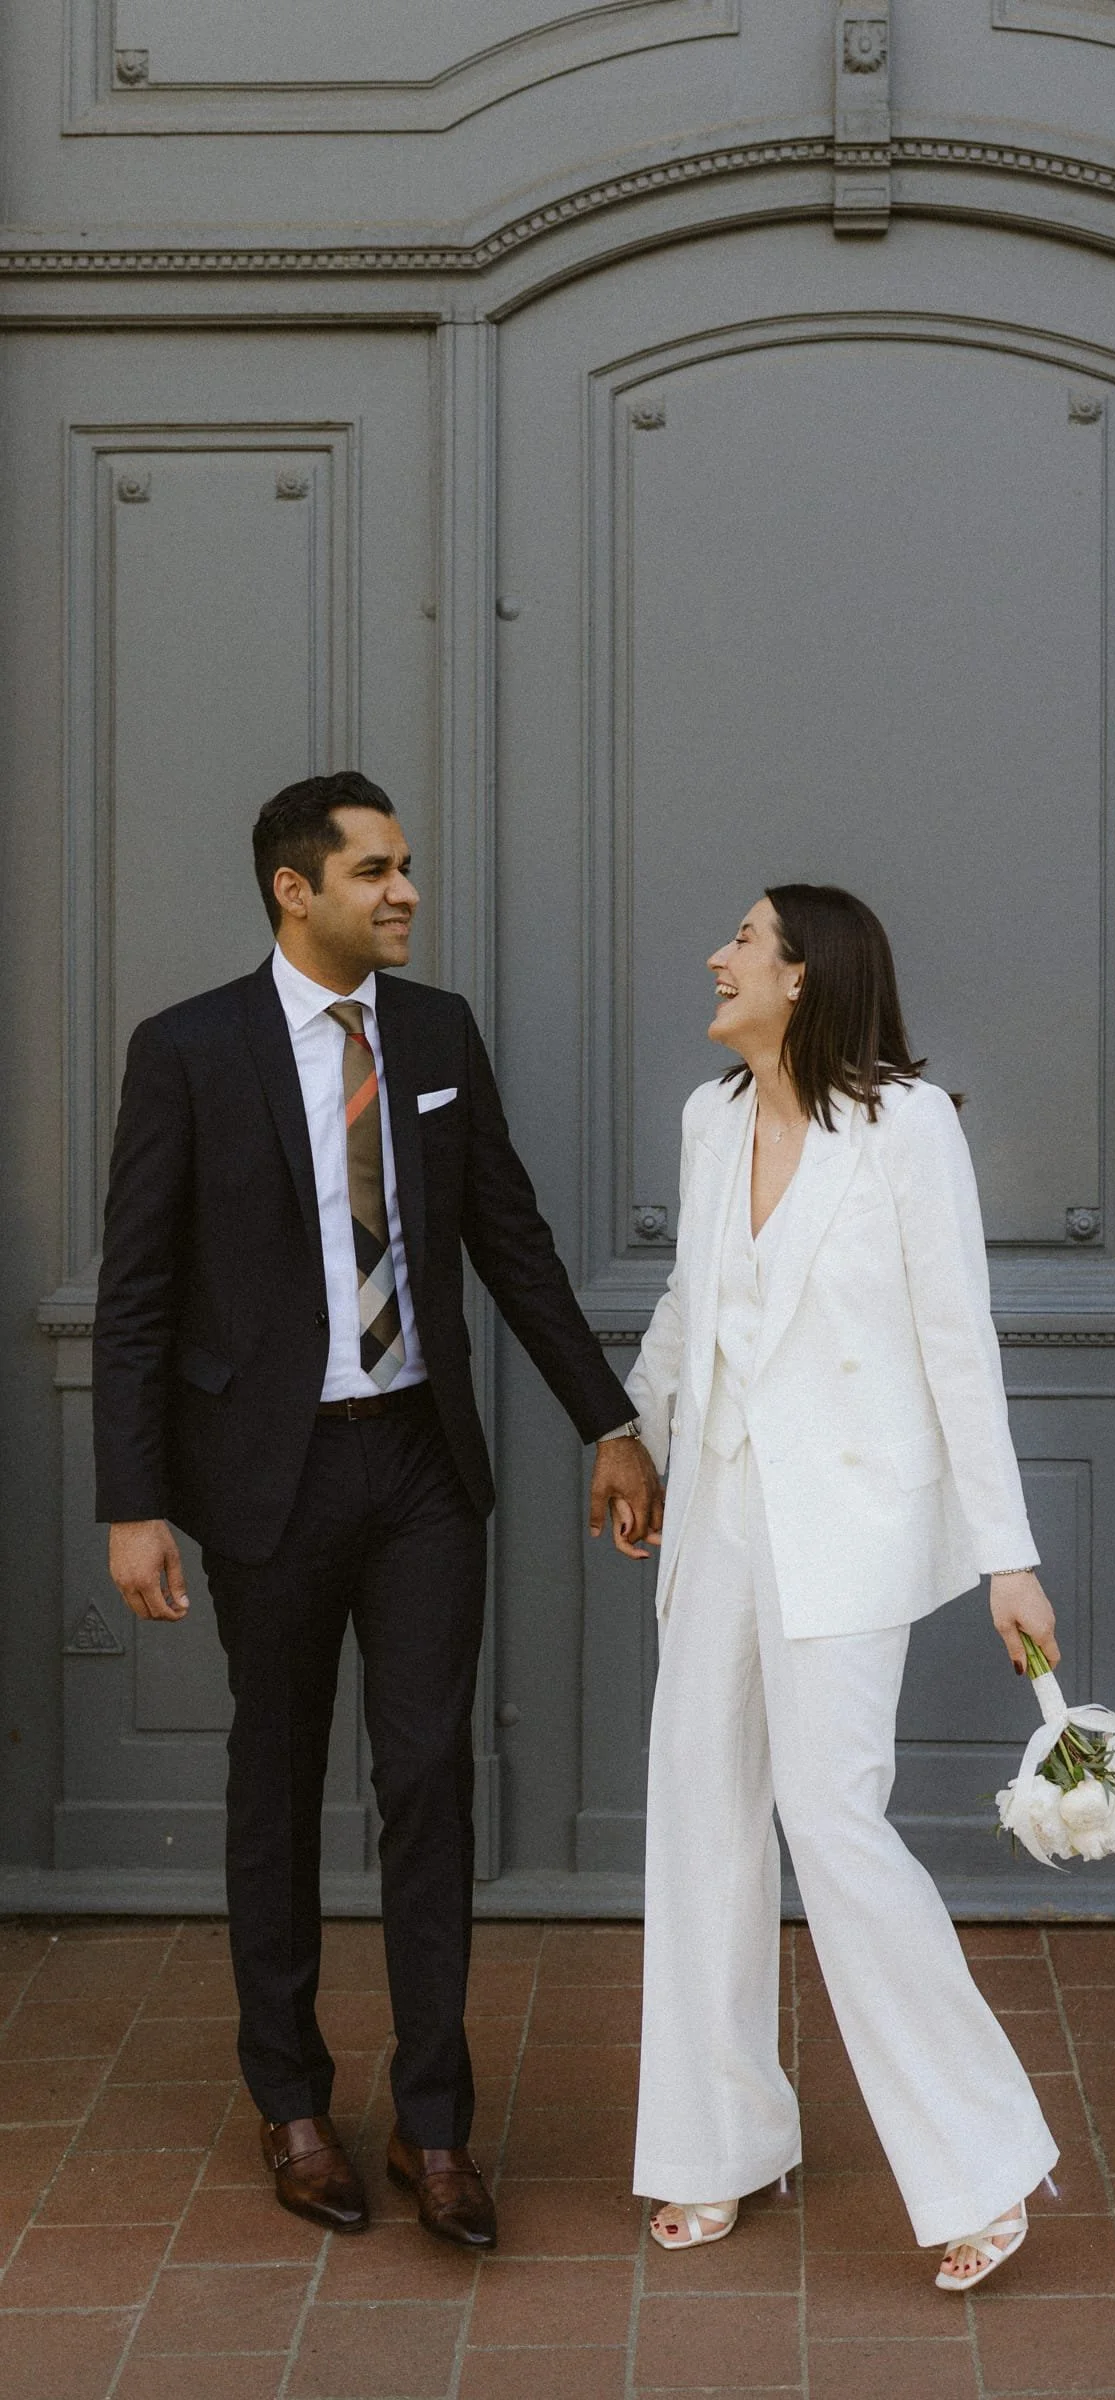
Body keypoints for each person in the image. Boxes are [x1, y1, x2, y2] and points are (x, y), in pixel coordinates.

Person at [94, 771, 661, 2249]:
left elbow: (514, 1244)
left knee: (427, 1781)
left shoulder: (434, 1034)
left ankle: (433, 2126)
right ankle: (289, 2100)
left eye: (407, 867)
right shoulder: (190, 1050)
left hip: (419, 1467)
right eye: (376, 872)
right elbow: (139, 1297)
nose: (405, 891)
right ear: (297, 890)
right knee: (276, 1781)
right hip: (265, 1476)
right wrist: (134, 1504)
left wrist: (608, 1417)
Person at [626, 883, 1060, 2291]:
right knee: (700, 1810)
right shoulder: (709, 1121)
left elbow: (957, 1342)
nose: (718, 955)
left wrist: (1009, 1554)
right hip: (721, 1514)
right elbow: (695, 1303)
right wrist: (636, 1438)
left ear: (806, 976)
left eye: (743, 941)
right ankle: (716, 2147)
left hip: (850, 1527)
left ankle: (984, 2159)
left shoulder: (906, 1130)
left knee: (831, 1817)